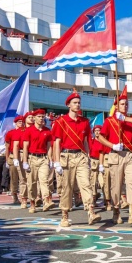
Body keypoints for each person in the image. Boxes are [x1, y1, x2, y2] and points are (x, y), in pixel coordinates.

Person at [52, 92, 101, 227]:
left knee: (86, 184)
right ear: (68, 105)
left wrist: (88, 157)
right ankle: (64, 215)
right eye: (74, 103)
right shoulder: (61, 121)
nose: (77, 105)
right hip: (66, 156)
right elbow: (57, 143)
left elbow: (85, 141)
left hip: (81, 156)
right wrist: (56, 162)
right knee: (66, 187)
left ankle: (91, 211)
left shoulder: (84, 122)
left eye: (79, 102)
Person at [99, 93, 132, 225]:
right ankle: (116, 211)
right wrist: (112, 145)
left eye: (126, 104)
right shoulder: (109, 121)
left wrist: (125, 118)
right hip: (116, 154)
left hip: (130, 154)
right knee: (116, 185)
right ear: (116, 106)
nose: (125, 106)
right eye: (122, 104)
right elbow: (100, 137)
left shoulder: (131, 119)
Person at [21, 109, 55, 213]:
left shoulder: (47, 131)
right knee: (32, 183)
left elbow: (49, 147)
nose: (41, 118)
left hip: (43, 158)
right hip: (32, 158)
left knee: (44, 180)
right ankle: (32, 203)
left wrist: (50, 159)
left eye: (42, 117)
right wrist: (25, 161)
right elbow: (25, 147)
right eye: (39, 117)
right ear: (34, 118)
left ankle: (46, 201)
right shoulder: (29, 130)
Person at [5, 115, 25, 205]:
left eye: (22, 121)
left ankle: (24, 196)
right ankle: (15, 196)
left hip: (22, 154)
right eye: (19, 122)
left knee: (23, 178)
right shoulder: (10, 133)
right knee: (14, 178)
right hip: (13, 156)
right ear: (15, 123)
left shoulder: (25, 131)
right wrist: (7, 159)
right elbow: (7, 147)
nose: (21, 123)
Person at [90, 125, 105, 205]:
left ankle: (106, 199)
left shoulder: (104, 141)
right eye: (95, 130)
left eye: (98, 130)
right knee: (93, 181)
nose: (97, 132)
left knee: (102, 181)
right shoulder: (91, 141)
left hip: (102, 161)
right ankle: (94, 198)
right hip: (93, 161)